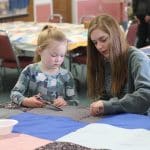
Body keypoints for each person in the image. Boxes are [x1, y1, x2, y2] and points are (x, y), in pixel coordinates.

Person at [87, 14, 150, 116]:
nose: (99, 46)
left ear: (115, 35)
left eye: (103, 40)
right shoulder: (105, 60)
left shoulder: (137, 59)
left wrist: (109, 106)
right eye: (95, 43)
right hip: (117, 119)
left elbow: (145, 95)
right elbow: (105, 97)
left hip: (139, 120)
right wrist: (99, 105)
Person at [10, 25, 78, 108]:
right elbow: (14, 93)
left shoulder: (66, 75)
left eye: (62, 55)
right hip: (33, 115)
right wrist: (25, 101)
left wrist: (65, 102)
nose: (58, 59)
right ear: (40, 51)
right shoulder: (30, 71)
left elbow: (75, 102)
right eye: (53, 55)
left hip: (58, 117)